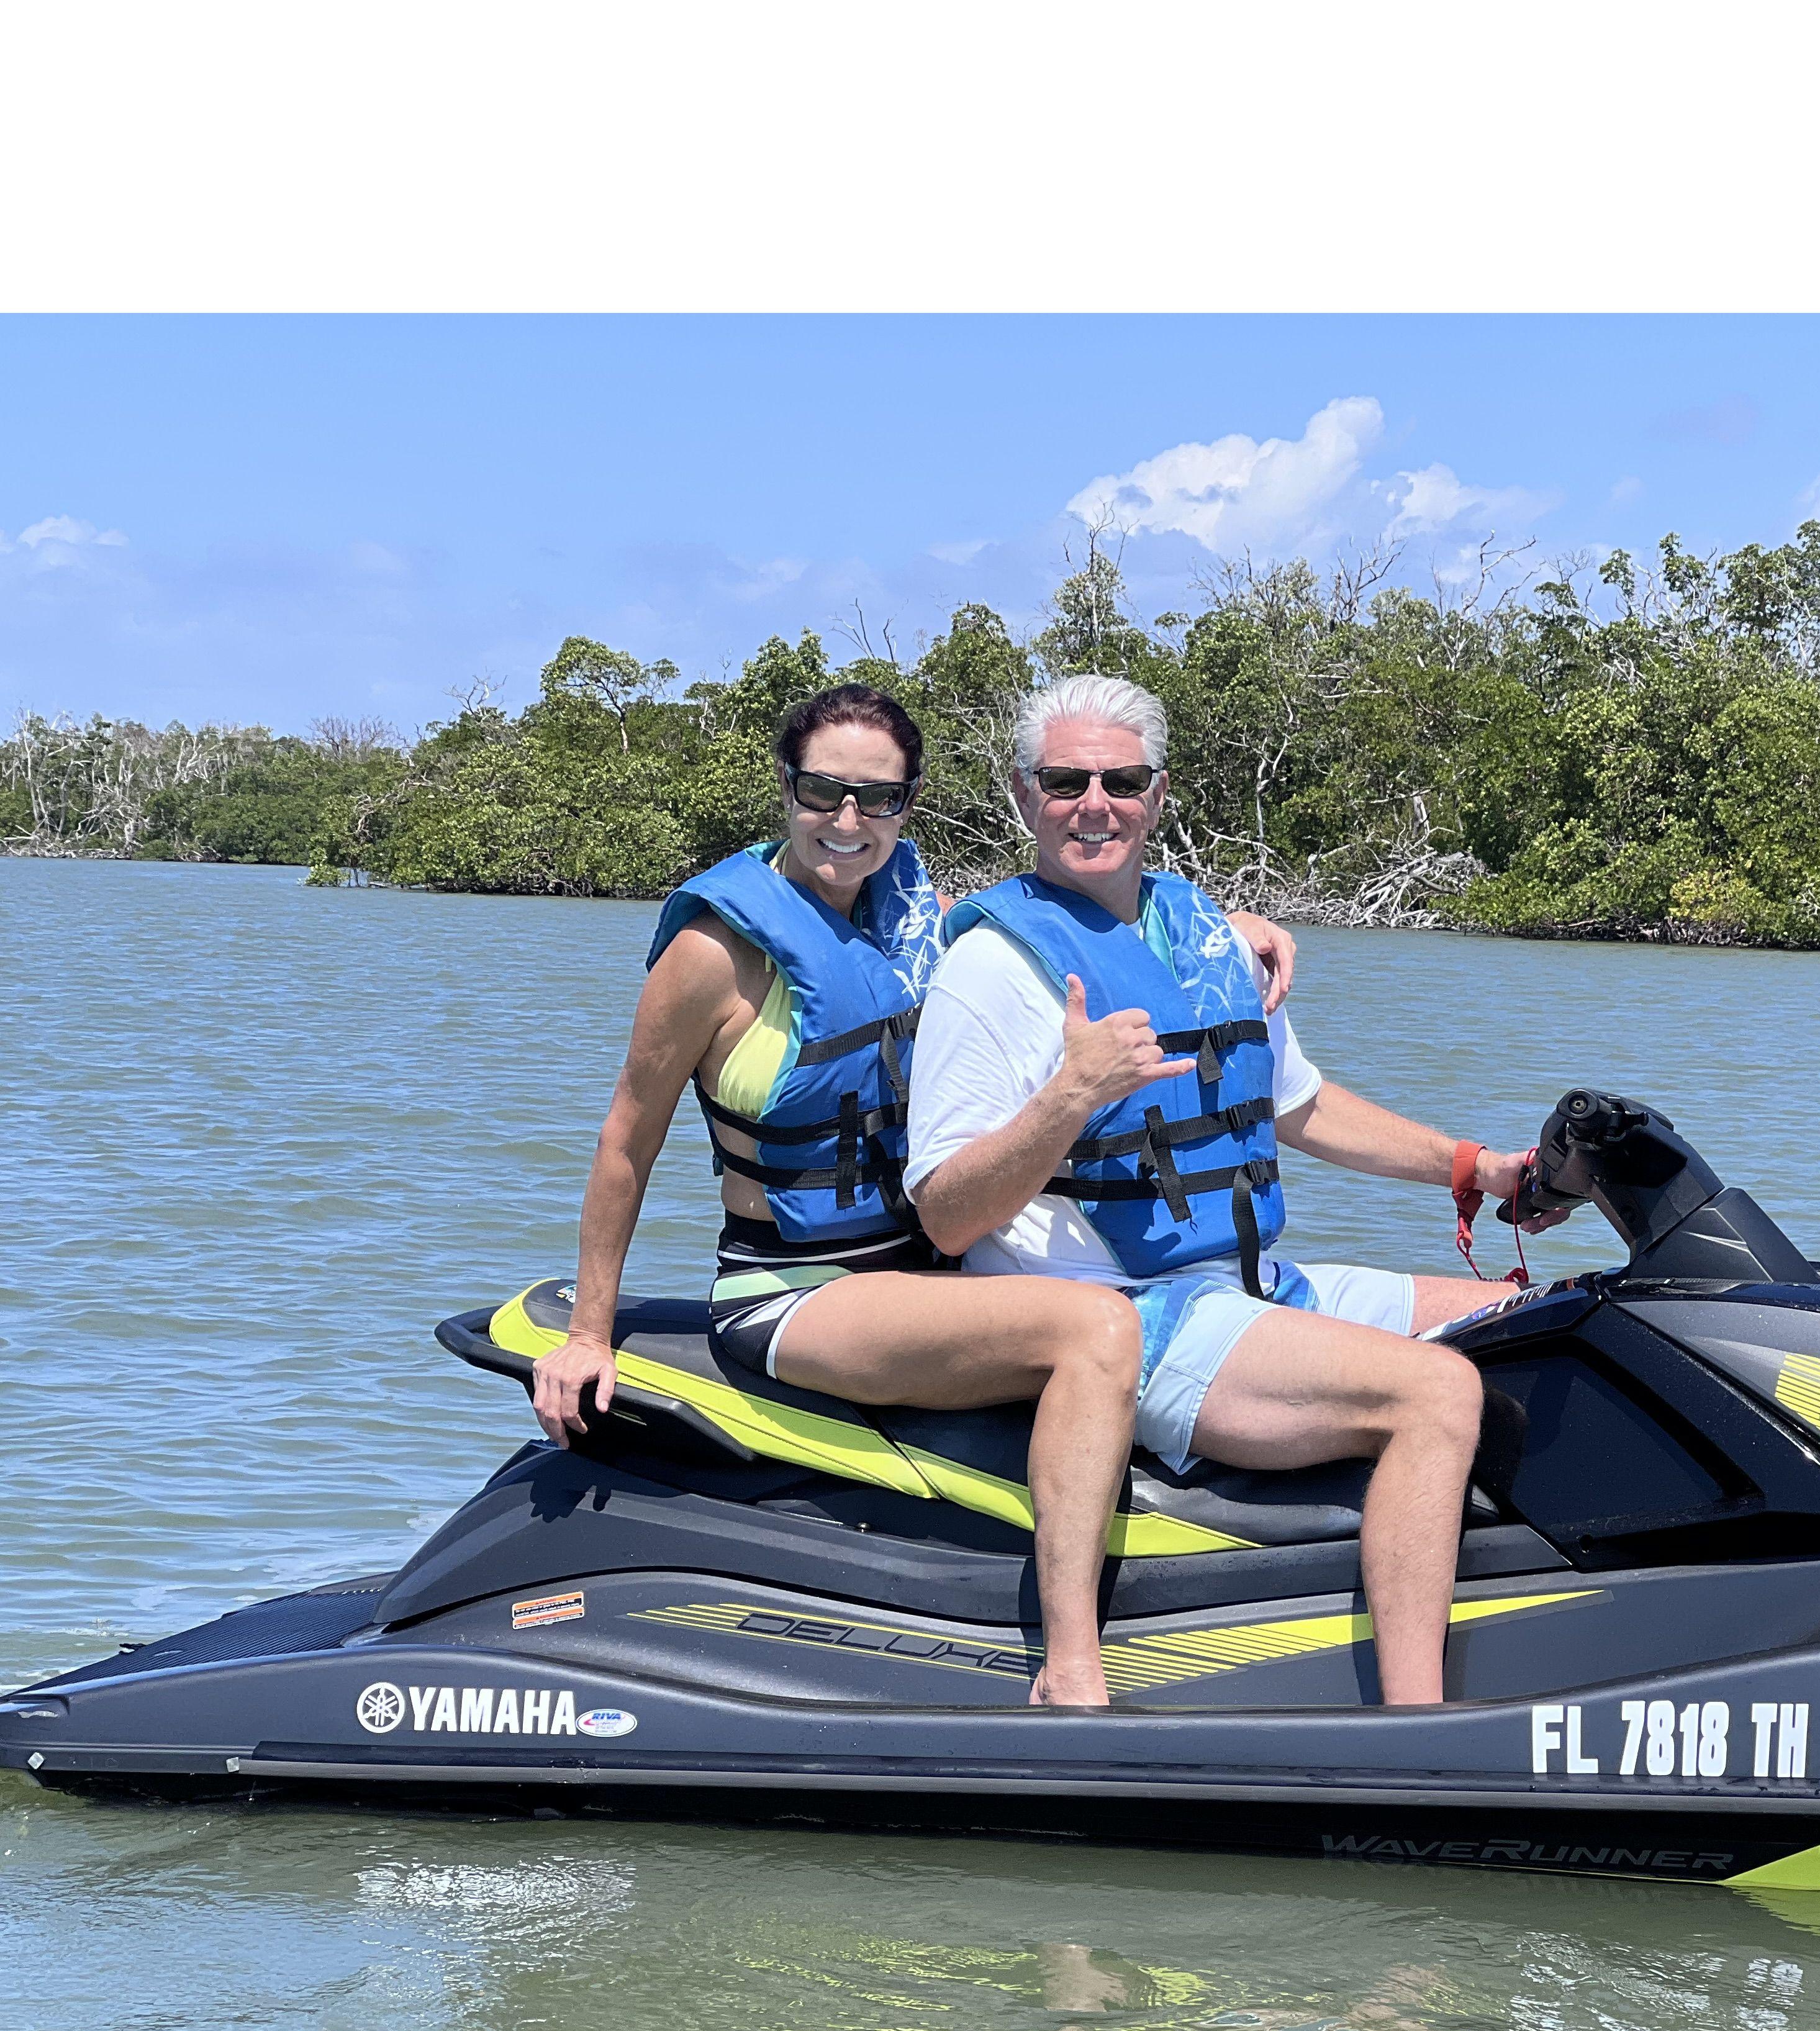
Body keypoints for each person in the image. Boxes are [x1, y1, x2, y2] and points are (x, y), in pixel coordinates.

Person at [527, 681, 1302, 1710]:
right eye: (823, 792)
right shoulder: (713, 954)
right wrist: (589, 1334)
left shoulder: (912, 918)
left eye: (879, 799)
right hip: (798, 1288)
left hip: (925, 1275)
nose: (847, 822)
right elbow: (628, 1139)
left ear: (908, 806)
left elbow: (1066, 908)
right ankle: (1072, 1673)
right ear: (787, 788)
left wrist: (1221, 924)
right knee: (1093, 1327)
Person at [905, 673, 1564, 1711]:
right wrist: (1072, 1097)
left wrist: (1474, 1167)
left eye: (1122, 781)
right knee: (1437, 1392)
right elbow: (946, 1213)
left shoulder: (1204, 932)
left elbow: (1300, 1107)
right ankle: (1416, 1728)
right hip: (1130, 1319)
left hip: (1253, 1285)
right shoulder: (990, 969)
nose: (1094, 804)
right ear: (1027, 796)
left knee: (1540, 1320)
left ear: (1159, 795)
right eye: (1066, 781)